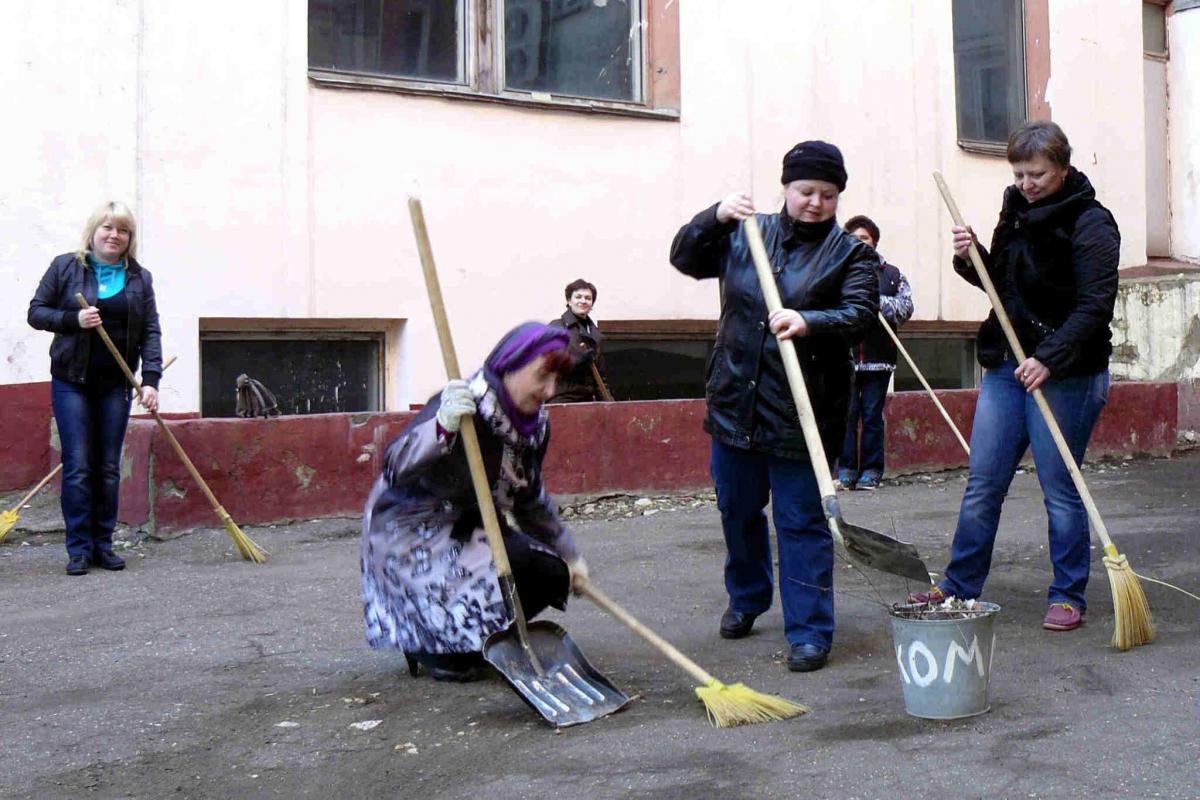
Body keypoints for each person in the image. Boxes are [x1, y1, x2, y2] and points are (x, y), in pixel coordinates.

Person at [668, 141, 879, 672]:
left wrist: (812, 322)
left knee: (801, 522)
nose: (815, 203)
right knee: (737, 512)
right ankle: (747, 597)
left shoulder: (850, 254)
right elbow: (685, 258)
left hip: (803, 412)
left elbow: (860, 314)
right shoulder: (746, 233)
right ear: (785, 188)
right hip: (736, 401)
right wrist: (713, 217)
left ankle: (809, 629)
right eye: (805, 191)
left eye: (827, 195)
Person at [910, 121, 1119, 633]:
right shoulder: (1016, 208)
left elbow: (1096, 306)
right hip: (1006, 364)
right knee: (984, 481)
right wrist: (970, 257)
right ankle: (959, 586)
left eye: (1037, 174)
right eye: (1019, 173)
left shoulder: (1091, 222)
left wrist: (1050, 356)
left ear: (1063, 168)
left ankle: (1068, 594)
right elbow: (1000, 284)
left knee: (1059, 487)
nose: (1026, 183)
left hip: (1066, 371)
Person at [360, 322, 590, 681]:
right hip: (411, 534)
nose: (550, 390)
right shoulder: (462, 403)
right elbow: (394, 465)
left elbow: (529, 498)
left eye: (557, 380)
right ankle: (427, 644)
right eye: (542, 376)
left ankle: (476, 636)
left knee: (548, 573)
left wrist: (569, 553)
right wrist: (441, 426)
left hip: (472, 525)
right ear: (510, 366)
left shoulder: (533, 426)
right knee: (460, 655)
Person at [27, 201, 162, 576]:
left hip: (116, 385)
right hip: (71, 381)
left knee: (107, 468)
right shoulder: (66, 267)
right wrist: (74, 319)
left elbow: (150, 331)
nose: (114, 235)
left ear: (129, 239)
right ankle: (79, 549)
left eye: (123, 230)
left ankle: (104, 544)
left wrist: (150, 380)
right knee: (78, 466)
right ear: (94, 231)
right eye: (108, 228)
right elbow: (36, 312)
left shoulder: (139, 278)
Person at [836, 215, 914, 491]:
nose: (860, 243)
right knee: (846, 414)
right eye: (855, 239)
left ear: (874, 241)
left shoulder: (891, 274)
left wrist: (877, 302)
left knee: (871, 415)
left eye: (865, 239)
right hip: (843, 356)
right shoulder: (837, 271)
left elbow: (905, 307)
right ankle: (844, 469)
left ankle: (871, 470)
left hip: (878, 359)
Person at [549, 278, 609, 402]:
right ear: (569, 301)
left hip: (587, 401)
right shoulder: (557, 327)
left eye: (588, 298)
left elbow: (601, 377)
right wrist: (577, 361)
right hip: (561, 399)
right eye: (578, 297)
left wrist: (609, 404)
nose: (583, 301)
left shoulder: (595, 334)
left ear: (592, 303)